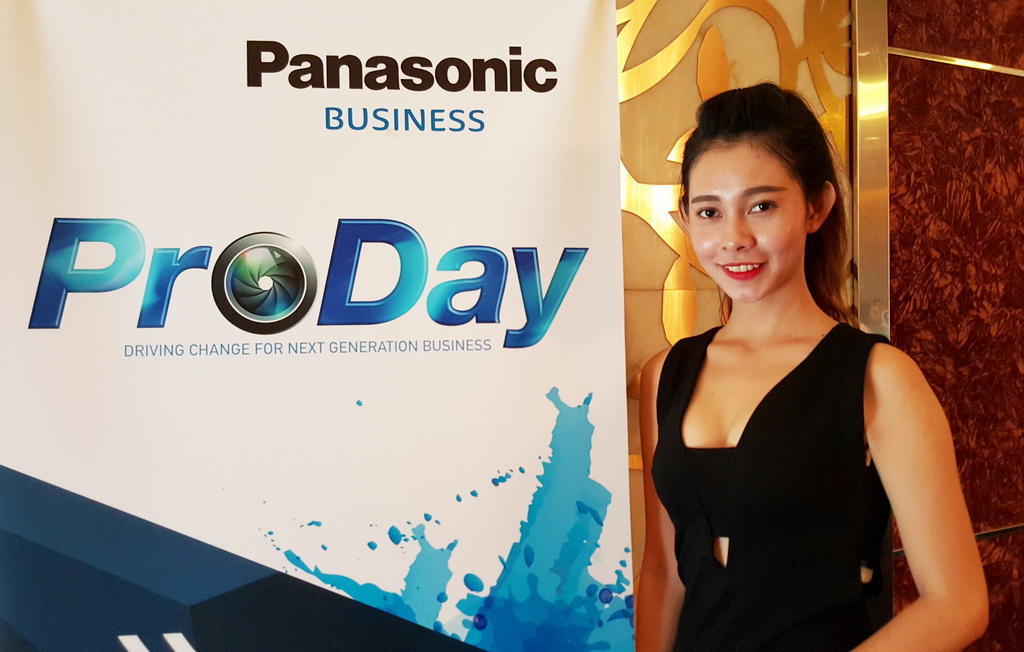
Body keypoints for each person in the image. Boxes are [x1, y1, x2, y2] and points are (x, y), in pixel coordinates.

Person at [635, 83, 987, 651]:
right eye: (709, 212)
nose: (733, 238)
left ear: (816, 207)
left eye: (762, 206)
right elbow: (664, 573)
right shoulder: (664, 375)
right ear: (685, 218)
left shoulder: (877, 377)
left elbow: (957, 603)